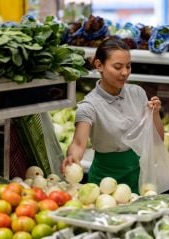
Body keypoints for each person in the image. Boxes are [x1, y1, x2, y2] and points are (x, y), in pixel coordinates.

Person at [61, 37, 163, 194]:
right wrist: (72, 158)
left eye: (128, 66)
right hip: (104, 183)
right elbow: (78, 144)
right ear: (99, 65)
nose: (125, 73)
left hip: (139, 179)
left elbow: (158, 140)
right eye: (117, 67)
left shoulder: (138, 93)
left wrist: (155, 114)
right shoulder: (89, 106)